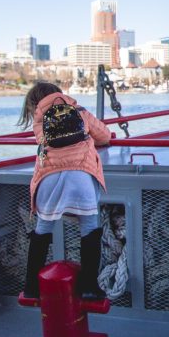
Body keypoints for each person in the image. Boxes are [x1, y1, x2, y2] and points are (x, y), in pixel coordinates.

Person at [17, 81, 111, 299]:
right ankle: (89, 286)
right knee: (89, 226)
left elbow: (44, 143)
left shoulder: (40, 119)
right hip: (80, 177)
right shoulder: (79, 112)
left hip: (49, 178)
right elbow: (104, 136)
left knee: (43, 227)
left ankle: (31, 287)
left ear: (33, 102)